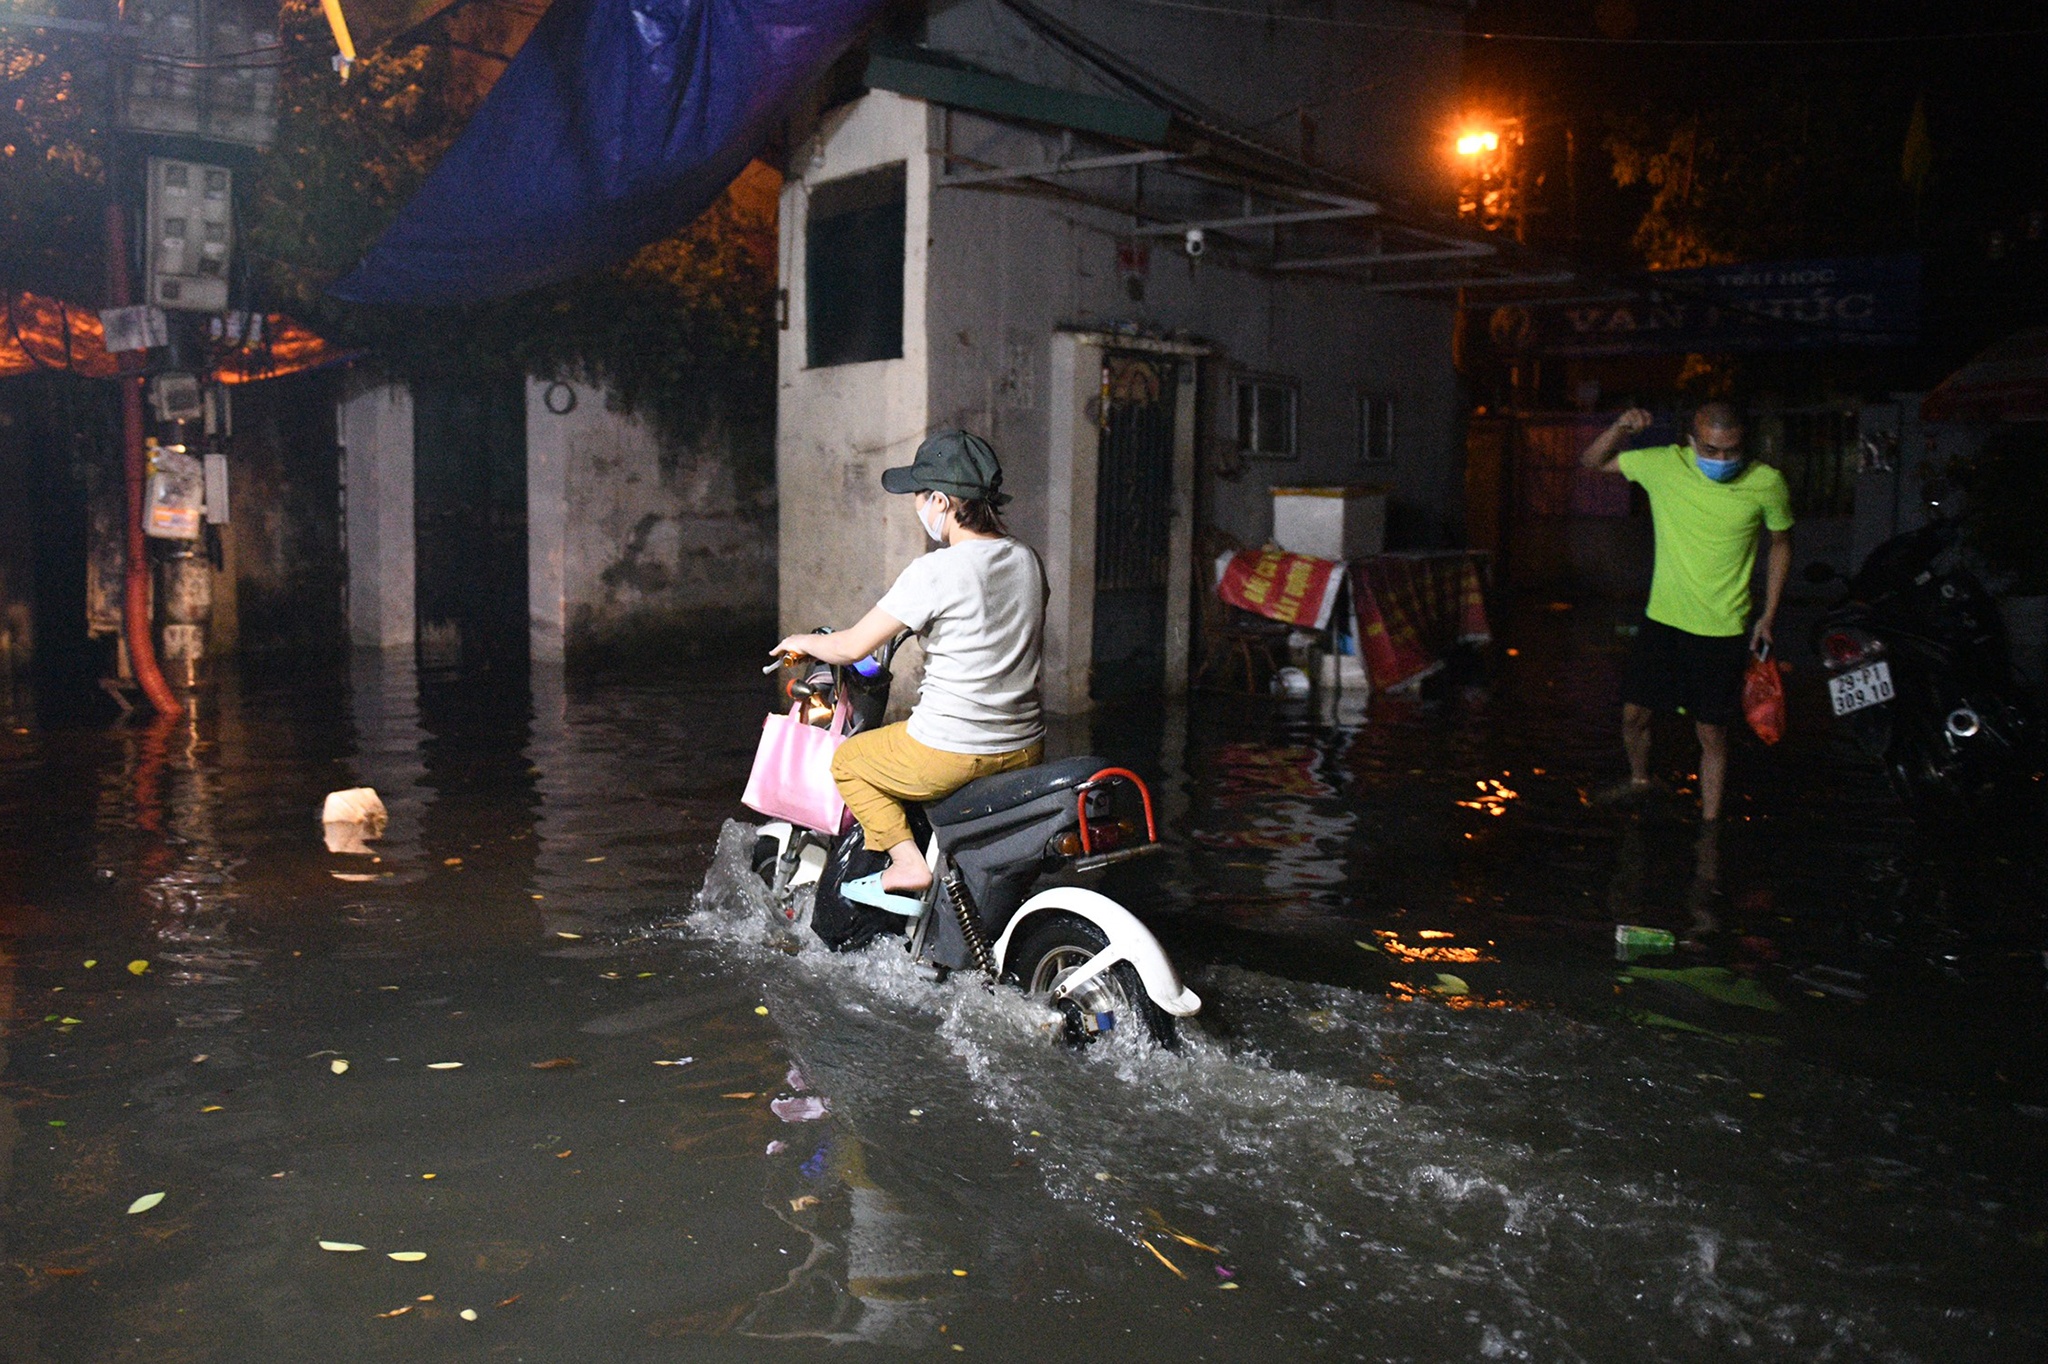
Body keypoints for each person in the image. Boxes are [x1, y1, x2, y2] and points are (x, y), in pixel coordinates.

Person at [771, 430, 1046, 894]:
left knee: (852, 759)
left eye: (919, 497)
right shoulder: (1026, 559)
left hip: (951, 750)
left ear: (940, 501)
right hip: (1024, 745)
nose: (918, 508)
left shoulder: (936, 571)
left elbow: (851, 646)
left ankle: (906, 863)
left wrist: (798, 640)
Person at [1579, 402, 1794, 823]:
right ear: (1692, 442)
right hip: (1663, 620)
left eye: (1731, 451)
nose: (1721, 460)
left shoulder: (1767, 483)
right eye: (1711, 450)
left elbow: (1782, 543)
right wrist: (1621, 426)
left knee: (1711, 731)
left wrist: (1767, 617)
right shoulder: (1664, 465)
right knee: (1633, 715)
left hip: (1723, 629)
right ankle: (1640, 780)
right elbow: (1593, 461)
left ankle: (1709, 829)